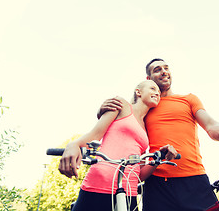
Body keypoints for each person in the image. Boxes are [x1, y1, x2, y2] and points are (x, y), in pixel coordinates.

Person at [97, 58, 219, 211]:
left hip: (193, 179)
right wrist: (101, 111)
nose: (164, 71)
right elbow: (122, 122)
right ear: (148, 79)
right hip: (157, 184)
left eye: (166, 68)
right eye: (157, 69)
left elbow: (211, 126)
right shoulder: (146, 107)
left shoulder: (189, 99)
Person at [58, 80, 178, 211]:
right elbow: (94, 135)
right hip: (99, 183)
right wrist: (73, 145)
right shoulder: (122, 105)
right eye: (153, 89)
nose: (157, 93)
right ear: (138, 92)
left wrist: (159, 158)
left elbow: (138, 173)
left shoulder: (146, 128)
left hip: (129, 192)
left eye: (159, 92)